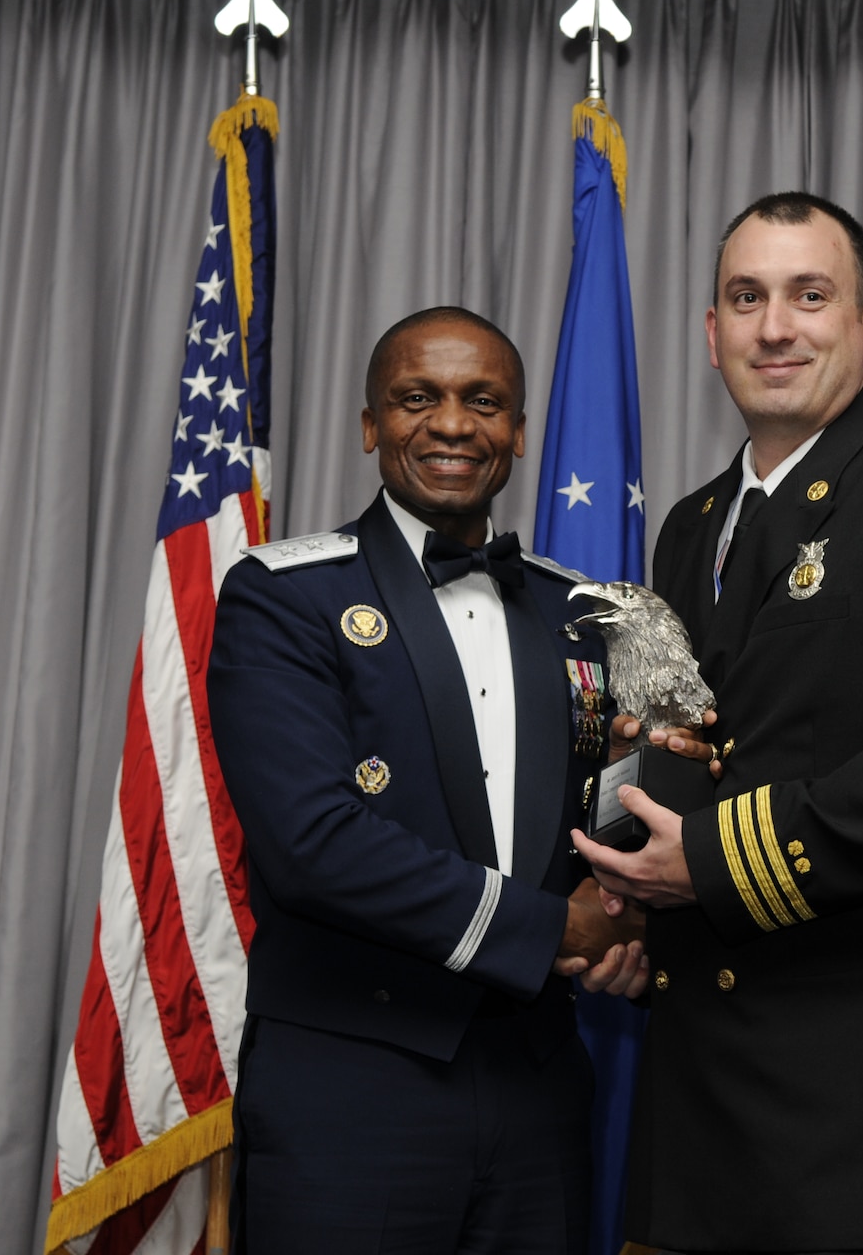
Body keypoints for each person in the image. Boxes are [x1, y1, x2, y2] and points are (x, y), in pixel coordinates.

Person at [572, 192, 863, 1253]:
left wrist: (706, 864)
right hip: (707, 1113)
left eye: (809, 295)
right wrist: (632, 912)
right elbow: (690, 753)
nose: (775, 327)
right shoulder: (691, 528)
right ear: (712, 334)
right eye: (746, 299)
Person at [207, 307, 646, 1254]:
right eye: (418, 398)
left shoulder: (582, 616)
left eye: (483, 402)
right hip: (350, 1088)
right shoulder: (283, 595)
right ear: (372, 424)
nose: (452, 424)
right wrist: (555, 930)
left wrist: (632, 921)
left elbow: (608, 820)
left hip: (539, 1087)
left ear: (518, 431)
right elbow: (313, 846)